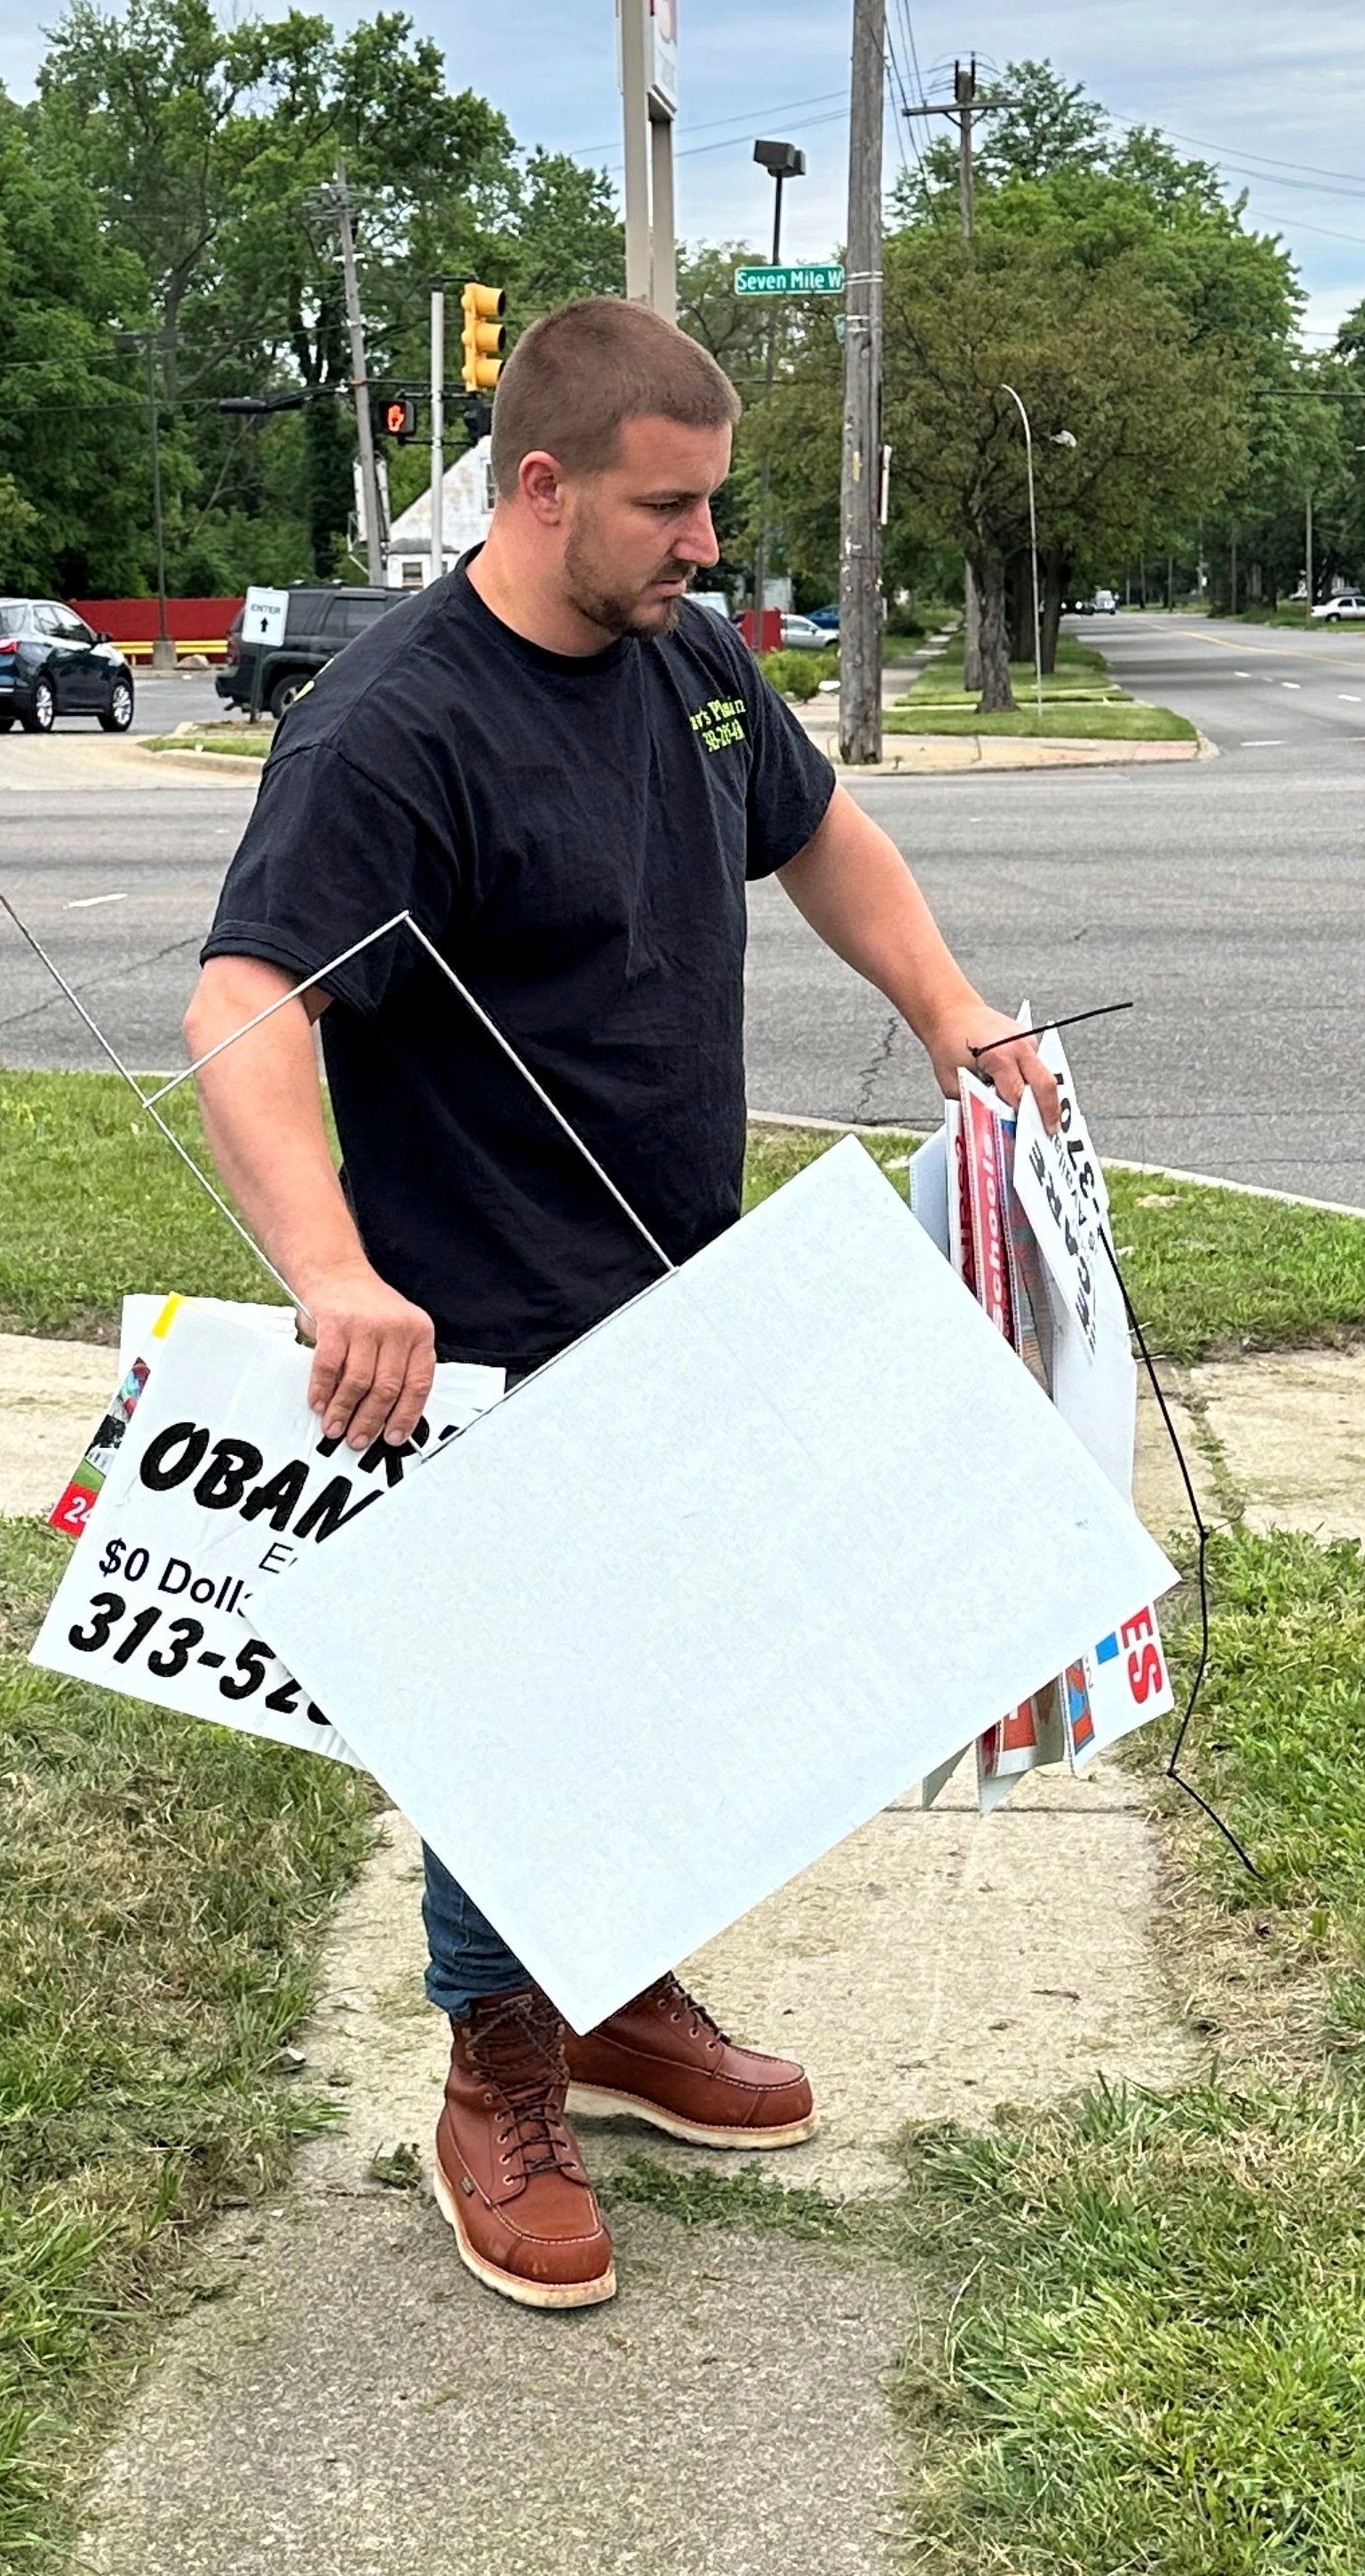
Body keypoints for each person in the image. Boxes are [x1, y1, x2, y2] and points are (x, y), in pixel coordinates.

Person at [184, 296, 1058, 2313]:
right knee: (524, 1700)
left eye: (716, 511)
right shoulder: (396, 728)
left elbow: (822, 840)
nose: (705, 548)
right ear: (542, 483)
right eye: (670, 509)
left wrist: (951, 1018)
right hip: (476, 1312)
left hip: (682, 1275)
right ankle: (499, 2075)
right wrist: (333, 1271)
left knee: (668, 1668)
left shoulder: (694, 664)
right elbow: (246, 1006)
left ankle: (612, 1993)